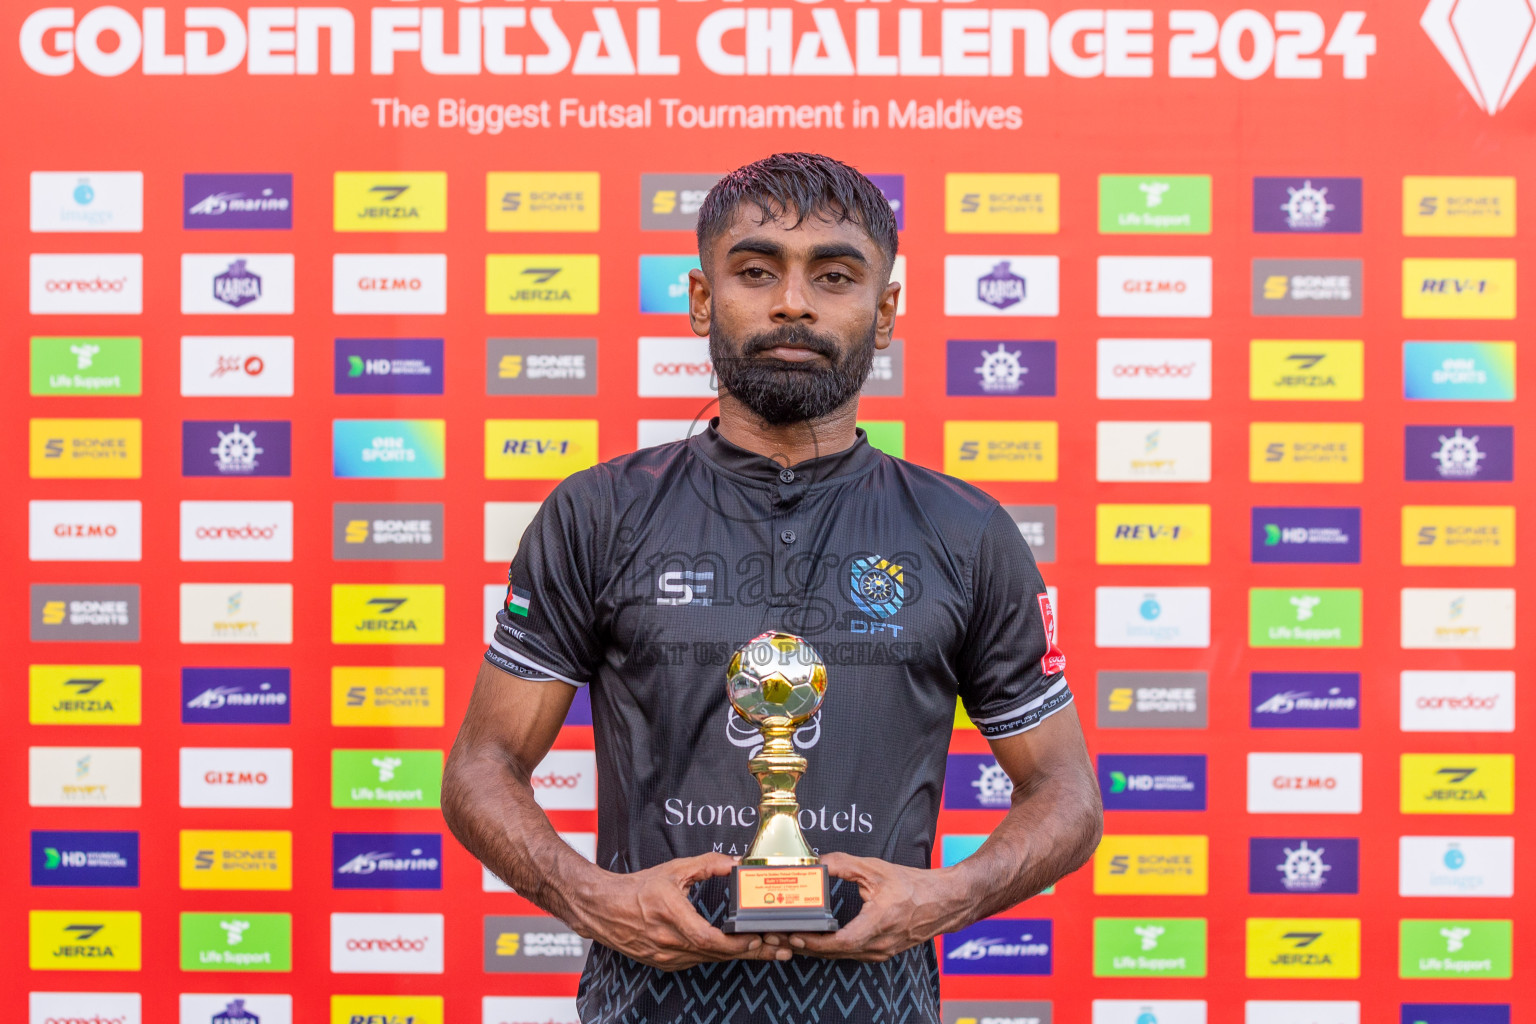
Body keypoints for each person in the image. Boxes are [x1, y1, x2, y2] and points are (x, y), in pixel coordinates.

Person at [443, 152, 1102, 1022]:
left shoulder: (964, 532)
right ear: (702, 300)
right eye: (756, 271)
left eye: (834, 274)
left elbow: (1067, 793)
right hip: (646, 1006)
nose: (793, 301)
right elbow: (480, 766)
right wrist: (592, 899)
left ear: (886, 312)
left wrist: (946, 898)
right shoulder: (599, 514)